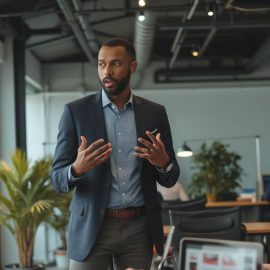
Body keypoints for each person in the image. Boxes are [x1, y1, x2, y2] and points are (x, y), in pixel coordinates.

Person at [51, 37, 180, 270]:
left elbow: (171, 177)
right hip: (92, 227)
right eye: (101, 64)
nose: (106, 71)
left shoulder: (154, 113)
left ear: (132, 67)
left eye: (115, 64)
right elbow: (57, 179)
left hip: (139, 229)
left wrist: (163, 162)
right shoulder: (75, 112)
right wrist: (77, 169)